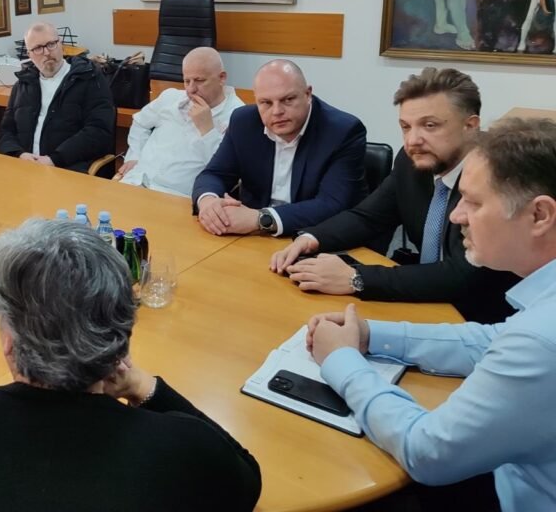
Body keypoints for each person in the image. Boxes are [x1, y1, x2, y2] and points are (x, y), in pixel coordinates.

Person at [0, 219, 262, 512]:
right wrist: (142, 386)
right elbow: (246, 481)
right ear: (121, 340)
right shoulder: (180, 450)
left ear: (9, 340)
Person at [307, 118, 556, 512]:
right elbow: (491, 340)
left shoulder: (540, 341)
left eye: (473, 202)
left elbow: (426, 452)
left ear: (539, 215)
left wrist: (342, 360)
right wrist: (371, 334)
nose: (457, 216)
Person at [270, 68, 519, 323]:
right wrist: (311, 238)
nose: (413, 140)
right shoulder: (412, 161)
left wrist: (355, 278)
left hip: (485, 318)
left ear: (470, 126)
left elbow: (464, 274)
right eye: (405, 127)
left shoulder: (499, 175)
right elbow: (368, 217)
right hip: (425, 303)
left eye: (429, 125)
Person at [192, 59, 366, 238]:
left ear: (308, 94)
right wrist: (208, 202)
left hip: (313, 237)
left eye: (288, 100)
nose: (277, 111)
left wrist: (260, 219)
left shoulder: (342, 131)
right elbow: (214, 174)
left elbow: (332, 205)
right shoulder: (244, 121)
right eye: (266, 103)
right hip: (252, 238)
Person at [115, 47, 244, 197]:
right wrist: (134, 156)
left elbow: (226, 171)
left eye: (199, 80)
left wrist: (207, 130)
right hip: (135, 182)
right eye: (186, 81)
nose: (191, 89)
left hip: (177, 197)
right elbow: (140, 123)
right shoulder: (171, 97)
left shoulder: (238, 117)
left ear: (221, 78)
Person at [0, 22, 115, 174]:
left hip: (68, 168)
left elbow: (98, 132)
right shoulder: (23, 85)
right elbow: (6, 131)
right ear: (29, 54)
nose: (46, 52)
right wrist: (19, 154)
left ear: (61, 45)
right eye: (38, 48)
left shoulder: (89, 78)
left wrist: (54, 159)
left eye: (51, 44)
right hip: (25, 168)